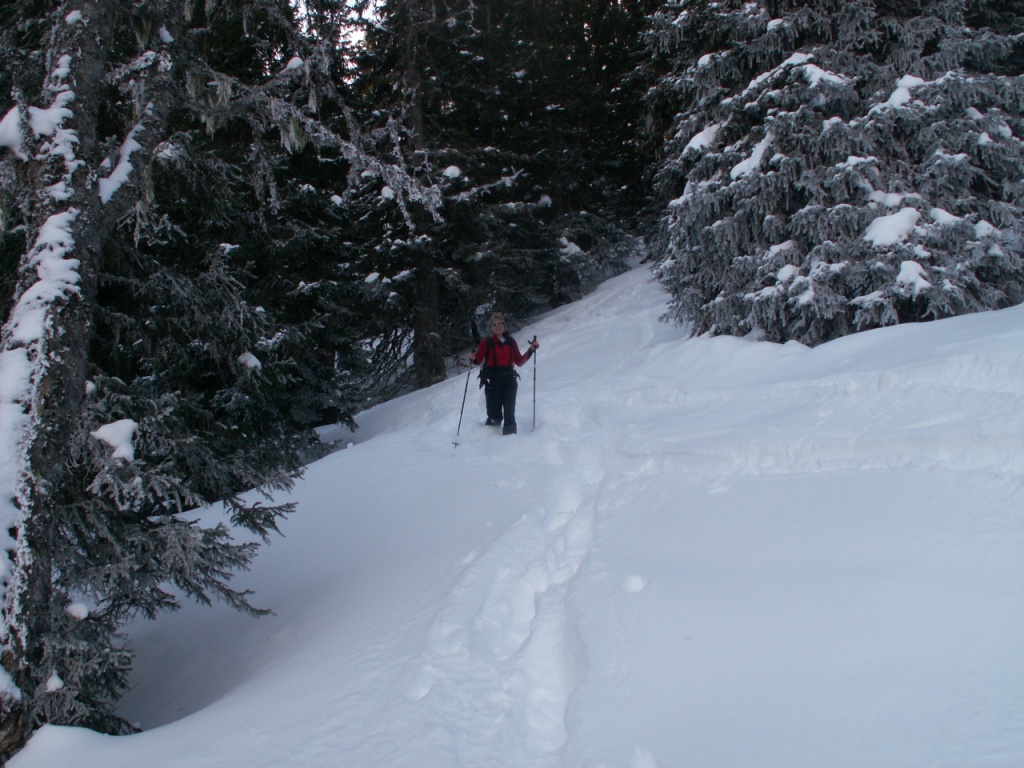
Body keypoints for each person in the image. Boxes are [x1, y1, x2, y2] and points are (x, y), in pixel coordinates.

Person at [468, 313, 539, 435]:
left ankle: (510, 438)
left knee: (509, 413)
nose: (498, 327)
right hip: (492, 381)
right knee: (493, 415)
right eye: (494, 324)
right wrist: (472, 358)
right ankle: (491, 439)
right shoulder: (487, 342)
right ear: (491, 328)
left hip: (509, 380)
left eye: (500, 324)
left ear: (504, 326)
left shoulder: (511, 342)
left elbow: (519, 361)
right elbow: (477, 361)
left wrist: (531, 350)